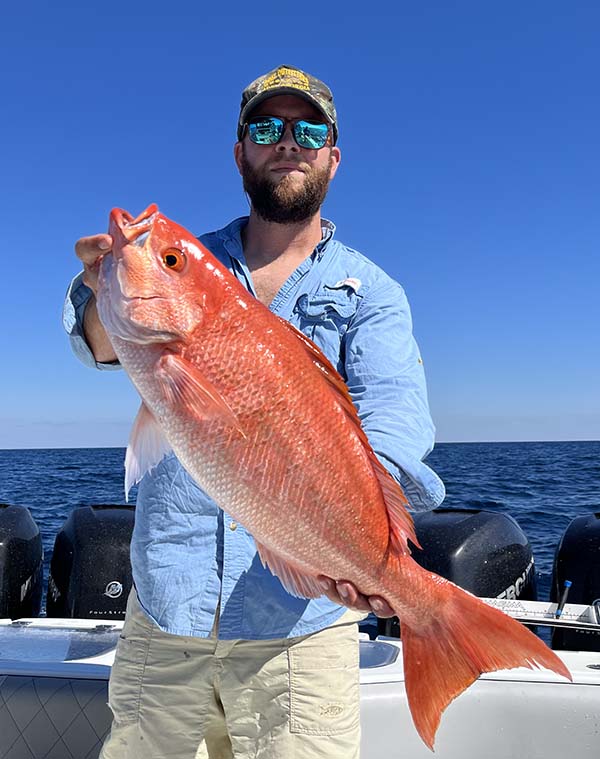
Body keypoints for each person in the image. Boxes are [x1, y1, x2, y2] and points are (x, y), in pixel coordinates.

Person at [63, 64, 445, 759]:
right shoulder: (196, 261)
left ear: (334, 154)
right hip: (163, 618)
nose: (288, 143)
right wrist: (103, 287)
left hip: (298, 634)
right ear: (241, 151)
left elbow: (395, 425)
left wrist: (367, 553)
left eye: (309, 130)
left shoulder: (373, 292)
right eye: (267, 128)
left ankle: (437, 624)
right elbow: (99, 342)